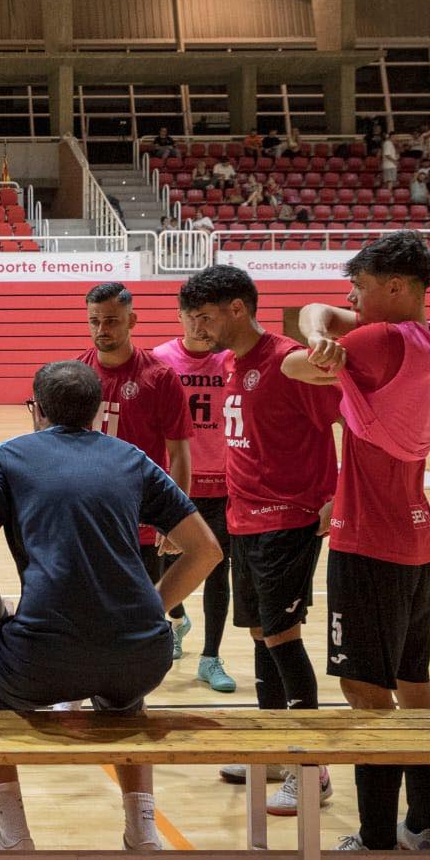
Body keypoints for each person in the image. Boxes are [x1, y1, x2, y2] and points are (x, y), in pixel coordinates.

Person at [0, 361, 222, 860]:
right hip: (140, 655)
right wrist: (153, 605)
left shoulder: (9, 457)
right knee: (125, 698)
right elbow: (207, 551)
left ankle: (14, 841)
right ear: (99, 412)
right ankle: (144, 842)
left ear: (36, 410)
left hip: (41, 657)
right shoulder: (133, 458)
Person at [287, 231, 430, 860]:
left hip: (369, 538)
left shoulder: (377, 341)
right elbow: (316, 315)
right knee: (413, 683)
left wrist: (315, 342)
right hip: (415, 533)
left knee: (364, 689)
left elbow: (291, 367)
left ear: (393, 287)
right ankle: (422, 824)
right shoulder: (429, 337)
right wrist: (318, 324)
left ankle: (377, 847)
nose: (349, 298)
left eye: (358, 286)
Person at [179, 264, 341, 815]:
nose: (197, 327)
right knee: (256, 633)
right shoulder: (228, 362)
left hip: (287, 518)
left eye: (205, 317)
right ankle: (275, 748)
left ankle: (311, 767)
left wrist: (335, 493)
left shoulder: (288, 361)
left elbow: (348, 411)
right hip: (242, 518)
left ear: (237, 310)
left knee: (282, 636)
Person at [76, 284, 192, 660]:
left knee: (135, 619)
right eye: (95, 321)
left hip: (140, 521)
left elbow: (179, 454)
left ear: (132, 321)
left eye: (111, 321)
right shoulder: (76, 374)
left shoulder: (159, 377)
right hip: (87, 516)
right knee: (88, 610)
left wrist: (175, 520)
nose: (101, 330)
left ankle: (130, 696)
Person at [153, 309, 239, 695]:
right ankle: (177, 620)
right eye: (193, 318)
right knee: (166, 569)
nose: (201, 327)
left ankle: (210, 656)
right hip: (173, 483)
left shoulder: (231, 359)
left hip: (223, 484)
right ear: (180, 318)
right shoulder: (160, 359)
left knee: (218, 571)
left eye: (208, 318)